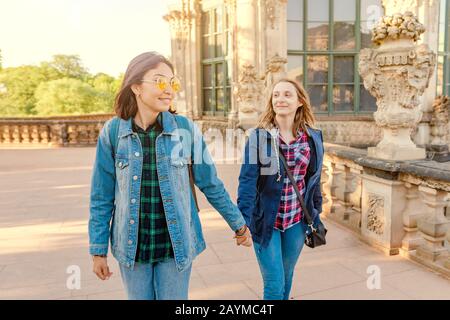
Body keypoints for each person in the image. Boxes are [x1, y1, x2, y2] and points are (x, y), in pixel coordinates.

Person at [88, 51, 252, 300]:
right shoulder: (112, 133)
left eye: (172, 82)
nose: (169, 90)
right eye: (160, 81)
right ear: (136, 87)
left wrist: (238, 224)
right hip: (132, 247)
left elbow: (210, 183)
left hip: (175, 244)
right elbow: (101, 196)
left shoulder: (185, 129)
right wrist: (98, 251)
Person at [237, 78, 324, 300]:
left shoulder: (312, 137)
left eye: (287, 94)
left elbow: (314, 178)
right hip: (266, 221)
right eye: (276, 95)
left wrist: (316, 210)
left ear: (300, 102)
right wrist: (242, 222)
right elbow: (247, 182)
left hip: (297, 220)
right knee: (274, 285)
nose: (280, 99)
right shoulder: (259, 137)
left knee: (286, 277)